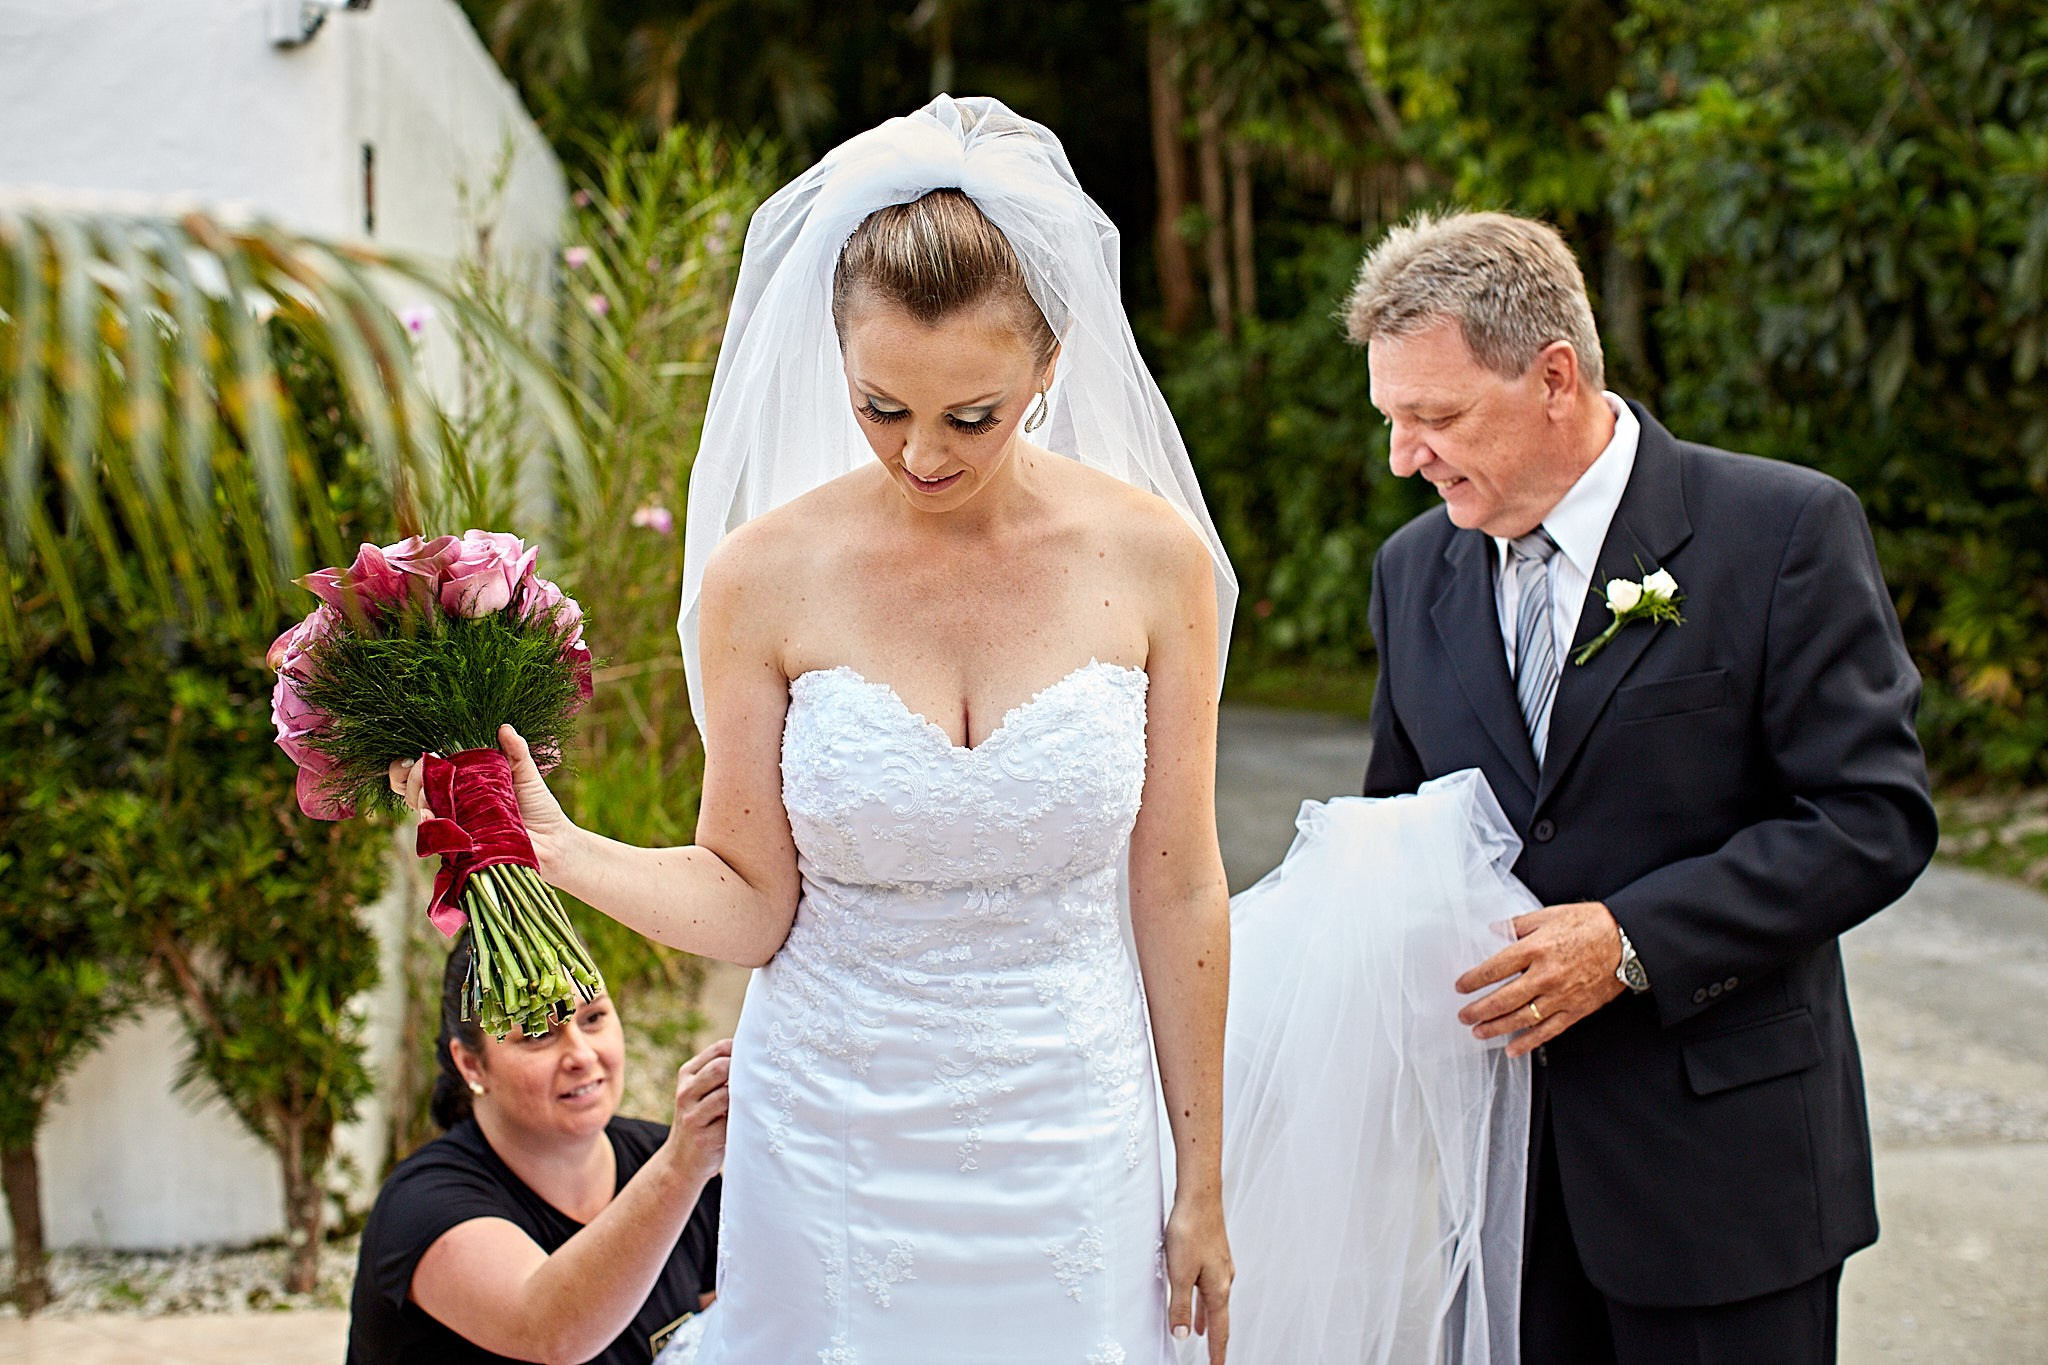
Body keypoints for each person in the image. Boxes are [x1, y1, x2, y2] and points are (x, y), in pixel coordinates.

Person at [396, 94, 1235, 1365]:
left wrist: (1203, 1179)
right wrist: (557, 846)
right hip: (835, 1131)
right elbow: (747, 902)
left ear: (1051, 363)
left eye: (973, 414)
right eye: (880, 406)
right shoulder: (759, 578)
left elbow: (1177, 887)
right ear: (835, 361)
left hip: (1076, 1127)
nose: (921, 455)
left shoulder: (1155, 562)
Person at [1352, 208, 1938, 1363]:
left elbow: (1871, 819)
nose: (1402, 458)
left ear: (1554, 378)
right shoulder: (1409, 570)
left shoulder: (1779, 531)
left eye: (1434, 417)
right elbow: (1396, 836)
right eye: (1390, 419)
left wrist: (1628, 940)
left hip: (1723, 1178)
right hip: (1504, 1182)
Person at [346, 933, 729, 1365]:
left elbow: (725, 1333)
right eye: (537, 1033)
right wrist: (679, 1169)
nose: (581, 1055)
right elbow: (550, 1330)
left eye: (594, 1018)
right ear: (471, 1064)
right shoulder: (421, 1206)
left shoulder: (666, 1159)